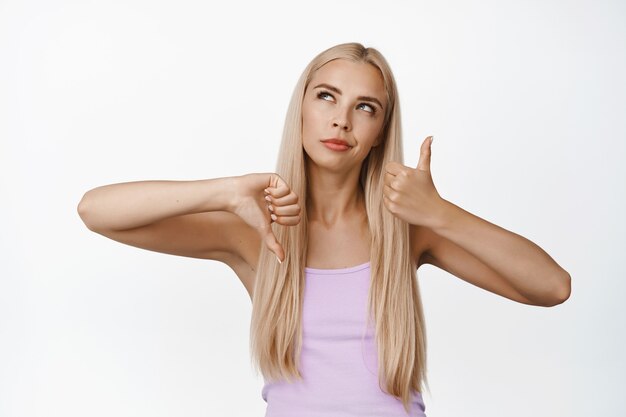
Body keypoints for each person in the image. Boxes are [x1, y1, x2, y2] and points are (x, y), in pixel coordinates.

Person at [77, 42, 572, 416]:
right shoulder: (255, 231)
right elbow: (95, 211)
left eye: (364, 107)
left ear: (379, 133)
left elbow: (551, 287)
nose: (341, 121)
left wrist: (440, 213)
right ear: (302, 109)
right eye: (327, 97)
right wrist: (225, 192)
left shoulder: (407, 229)